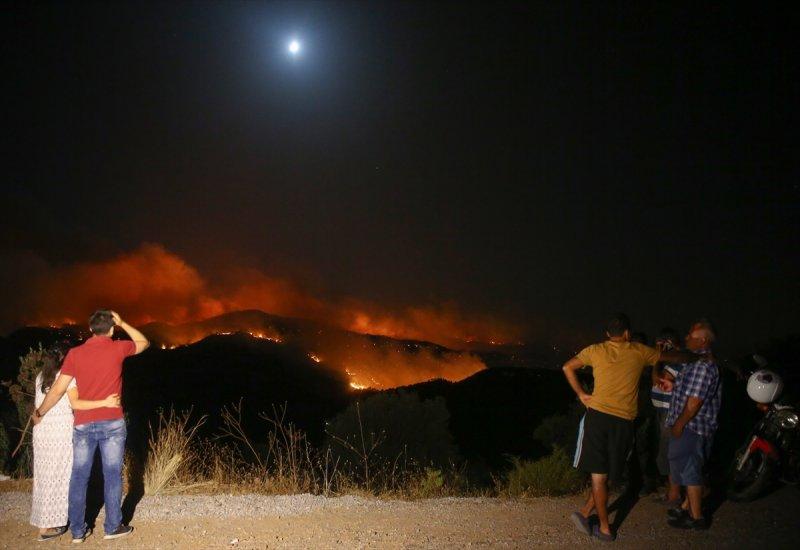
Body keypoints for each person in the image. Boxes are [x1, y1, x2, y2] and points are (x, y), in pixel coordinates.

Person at [563, 313, 693, 541]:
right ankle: (589, 516)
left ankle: (603, 527)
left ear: (607, 334)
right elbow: (672, 357)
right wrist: (692, 355)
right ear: (627, 333)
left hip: (598, 418)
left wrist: (582, 394)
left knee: (598, 476)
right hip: (623, 422)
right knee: (612, 473)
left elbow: (567, 367)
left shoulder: (595, 350)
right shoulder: (639, 350)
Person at [32, 310, 149, 543]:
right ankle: (112, 526)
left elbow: (57, 390)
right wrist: (124, 322)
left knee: (79, 476)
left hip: (83, 424)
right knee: (112, 475)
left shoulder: (75, 354)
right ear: (112, 329)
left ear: (91, 329)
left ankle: (77, 531)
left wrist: (39, 413)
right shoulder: (118, 348)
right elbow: (143, 342)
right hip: (113, 423)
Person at [31, 344, 120, 542]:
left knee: (44, 477)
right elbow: (76, 404)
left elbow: (39, 406)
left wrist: (37, 414)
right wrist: (105, 402)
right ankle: (61, 522)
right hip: (60, 432)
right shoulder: (67, 376)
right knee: (64, 476)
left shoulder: (40, 377)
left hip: (42, 431)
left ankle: (45, 525)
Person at [663, 319, 721, 530]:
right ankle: (688, 508)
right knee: (688, 468)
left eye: (691, 335)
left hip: (693, 427)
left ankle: (696, 518)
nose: (686, 338)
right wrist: (673, 384)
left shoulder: (703, 366)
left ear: (703, 340)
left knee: (690, 471)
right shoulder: (695, 362)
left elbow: (694, 402)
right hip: (691, 426)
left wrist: (679, 424)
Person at [649, 328, 683, 505]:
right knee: (667, 451)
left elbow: (658, 379)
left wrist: (657, 359)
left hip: (670, 412)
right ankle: (672, 492)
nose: (657, 348)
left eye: (660, 345)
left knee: (669, 452)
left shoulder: (676, 361)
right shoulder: (673, 360)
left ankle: (674, 494)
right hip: (664, 410)